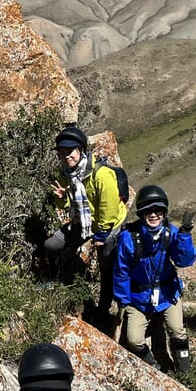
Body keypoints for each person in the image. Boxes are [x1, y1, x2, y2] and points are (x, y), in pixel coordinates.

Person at [112, 185, 196, 372]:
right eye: (148, 211)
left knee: (177, 330)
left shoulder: (171, 233)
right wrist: (123, 301)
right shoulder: (129, 238)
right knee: (134, 340)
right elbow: (121, 271)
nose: (153, 215)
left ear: (164, 213)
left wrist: (184, 236)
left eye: (158, 211)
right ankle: (154, 367)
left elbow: (185, 261)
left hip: (168, 293)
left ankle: (185, 372)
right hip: (138, 297)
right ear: (141, 213)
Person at [44, 125, 126, 307]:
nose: (66, 155)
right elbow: (66, 205)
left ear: (81, 150)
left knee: (106, 265)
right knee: (52, 245)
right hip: (83, 221)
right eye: (62, 151)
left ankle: (103, 308)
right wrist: (62, 198)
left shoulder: (101, 174)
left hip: (109, 224)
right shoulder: (66, 174)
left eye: (70, 150)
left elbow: (109, 206)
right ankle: (55, 282)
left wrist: (103, 233)